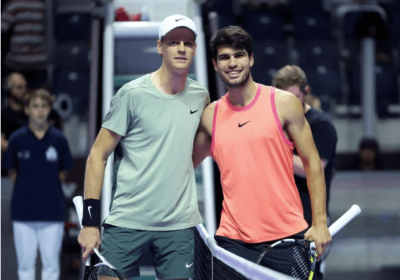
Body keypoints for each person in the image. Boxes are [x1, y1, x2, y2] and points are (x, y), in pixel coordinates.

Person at [77, 15, 209, 280]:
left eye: (187, 43)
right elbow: (97, 155)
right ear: (160, 46)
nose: (181, 48)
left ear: (195, 49)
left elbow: (191, 152)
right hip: (127, 222)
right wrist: (90, 223)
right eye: (173, 42)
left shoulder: (201, 96)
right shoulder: (131, 94)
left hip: (179, 226)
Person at [193, 26, 331, 264]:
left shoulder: (284, 103)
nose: (232, 63)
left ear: (251, 59)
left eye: (239, 55)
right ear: (215, 65)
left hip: (287, 236)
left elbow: (313, 165)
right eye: (224, 57)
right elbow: (183, 166)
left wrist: (319, 223)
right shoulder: (210, 116)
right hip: (233, 239)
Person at [273, 65, 338, 279]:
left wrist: (272, 151)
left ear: (306, 91)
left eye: (293, 97)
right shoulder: (274, 124)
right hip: (277, 217)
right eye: (283, 98)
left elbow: (313, 166)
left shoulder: (321, 125)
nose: (288, 103)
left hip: (309, 219)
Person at [3, 88, 73, 280]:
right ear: (27, 110)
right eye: (35, 106)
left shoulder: (59, 140)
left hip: (52, 213)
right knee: (25, 266)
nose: (40, 111)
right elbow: (12, 172)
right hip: (23, 213)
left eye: (44, 106)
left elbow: (63, 173)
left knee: (51, 266)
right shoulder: (17, 139)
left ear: (49, 109)